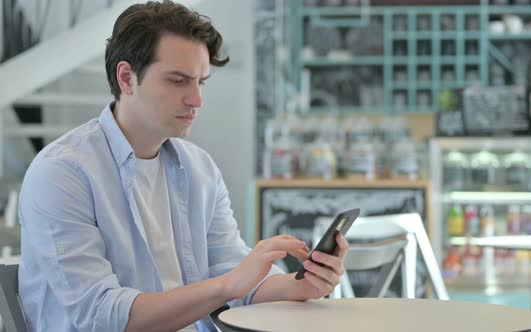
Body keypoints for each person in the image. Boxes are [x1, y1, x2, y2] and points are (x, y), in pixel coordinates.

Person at [18, 1, 349, 331]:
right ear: (126, 78)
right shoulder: (61, 174)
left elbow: (235, 274)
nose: (197, 100)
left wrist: (302, 285)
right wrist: (231, 283)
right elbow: (102, 317)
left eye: (201, 82)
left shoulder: (198, 168)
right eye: (178, 81)